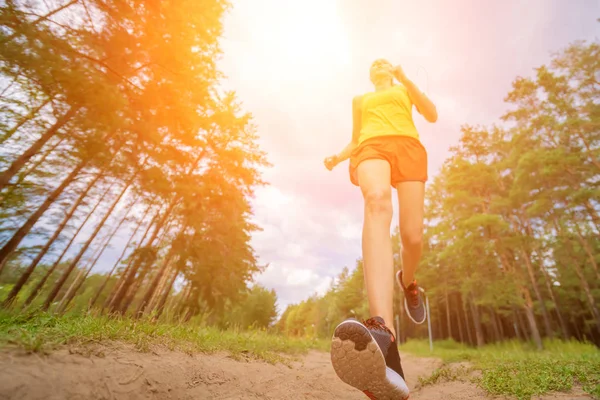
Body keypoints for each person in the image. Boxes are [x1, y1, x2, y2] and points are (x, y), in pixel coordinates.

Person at [325, 58, 437, 399]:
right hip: (371, 148)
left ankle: (409, 282)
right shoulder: (360, 100)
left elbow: (430, 113)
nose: (376, 66)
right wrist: (338, 157)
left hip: (408, 146)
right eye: (372, 64)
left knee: (412, 236)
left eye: (382, 63)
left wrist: (405, 78)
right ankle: (384, 337)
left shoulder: (404, 90)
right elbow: (356, 138)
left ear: (390, 70)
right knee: (376, 201)